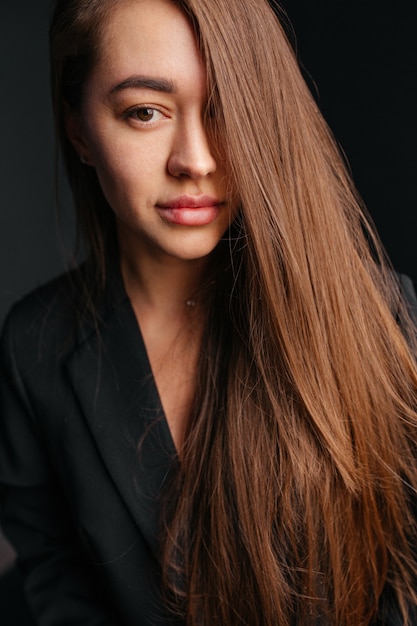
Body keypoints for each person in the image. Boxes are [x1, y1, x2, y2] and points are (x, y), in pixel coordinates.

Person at [1, 0, 417, 624]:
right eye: (145, 112)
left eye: (226, 108)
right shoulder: (35, 346)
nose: (195, 159)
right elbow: (55, 578)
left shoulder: (384, 318)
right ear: (80, 129)